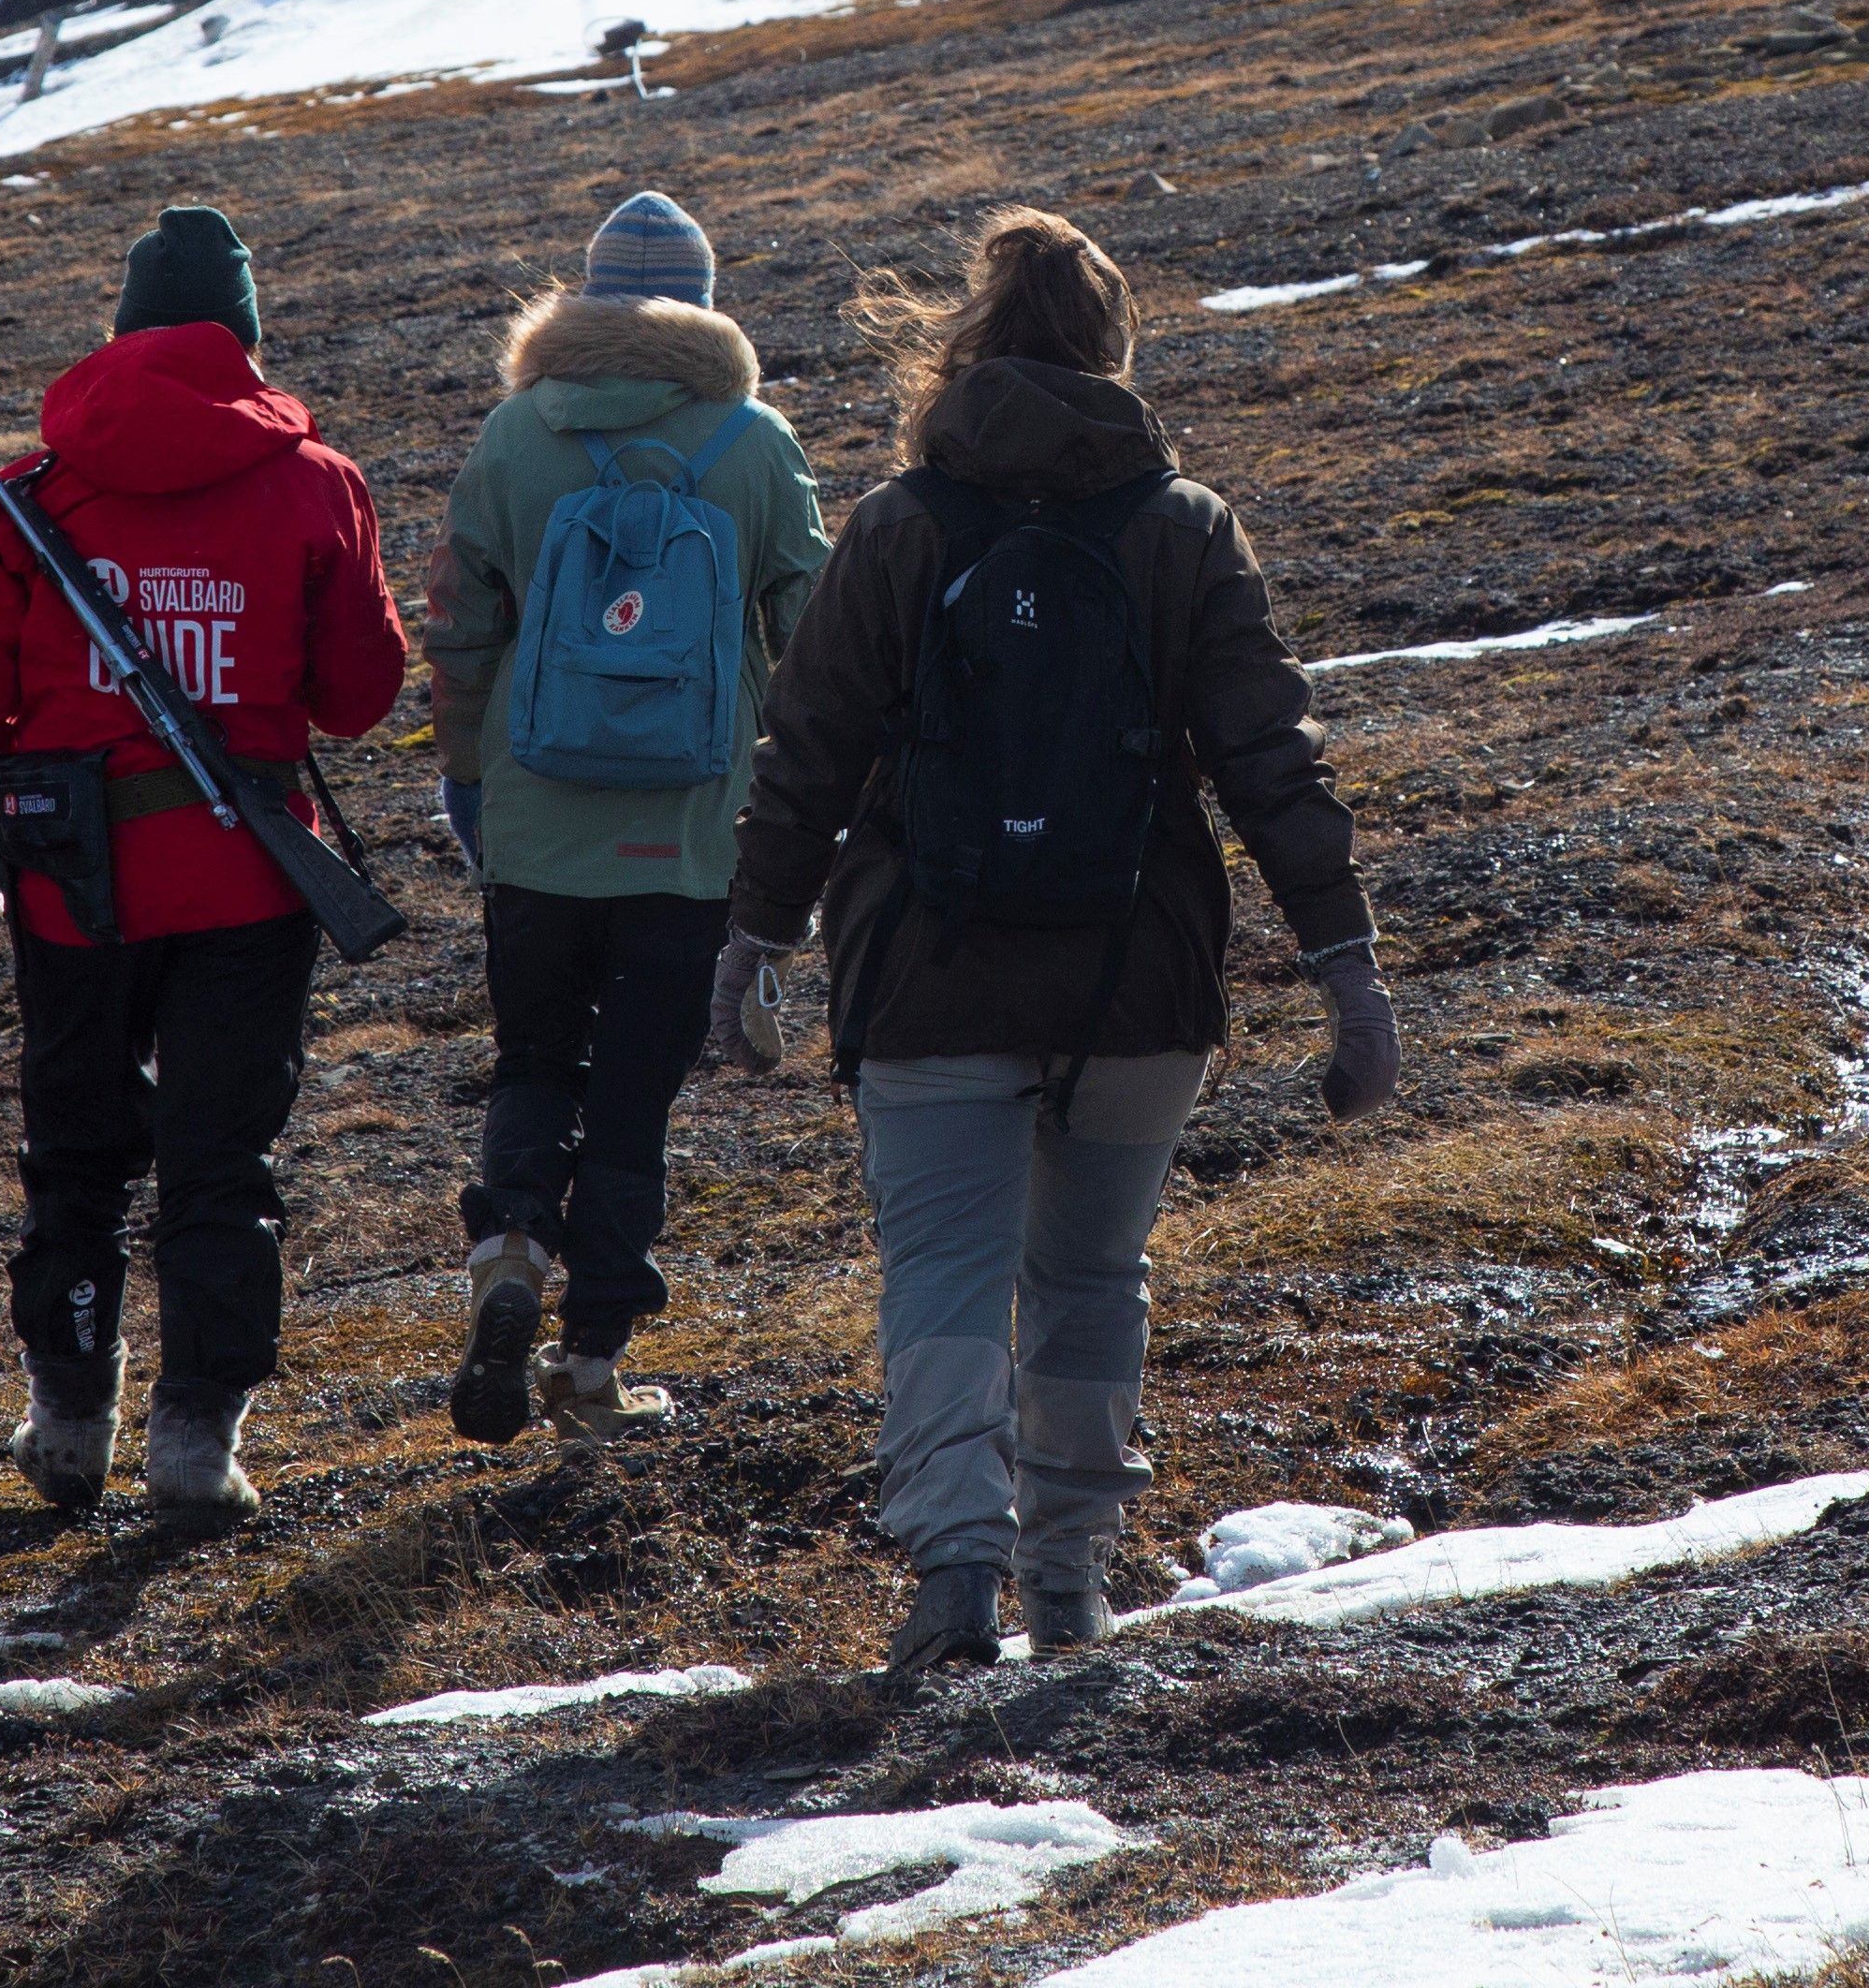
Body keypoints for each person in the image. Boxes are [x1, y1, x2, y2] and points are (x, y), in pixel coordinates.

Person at [720, 207, 1398, 1677]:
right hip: (1136, 980)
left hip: (928, 977)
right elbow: (1273, 761)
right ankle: (1072, 1582)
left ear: (967, 344)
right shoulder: (1181, 528)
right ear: (1112, 349)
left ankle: (956, 1574)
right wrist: (1347, 972)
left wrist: (756, 939)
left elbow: (808, 752)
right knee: (1092, 1277)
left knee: (947, 1280)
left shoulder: (900, 525)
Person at [0, 199, 409, 1526]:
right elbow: (362, 694)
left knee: (75, 1151)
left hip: (72, 884)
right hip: (251, 883)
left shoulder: (21, 501)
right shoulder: (319, 483)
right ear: (246, 338)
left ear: (123, 330)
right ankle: (197, 1441)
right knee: (219, 1160)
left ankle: (68, 1421)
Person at [420, 191, 828, 1445]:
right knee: (637, 1107)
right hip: (688, 842)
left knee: (537, 1062)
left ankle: (506, 1246)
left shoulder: (512, 437)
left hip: (536, 830)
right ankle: (591, 1370)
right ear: (703, 308)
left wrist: (473, 782)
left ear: (585, 303)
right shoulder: (754, 445)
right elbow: (813, 640)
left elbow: (459, 629)